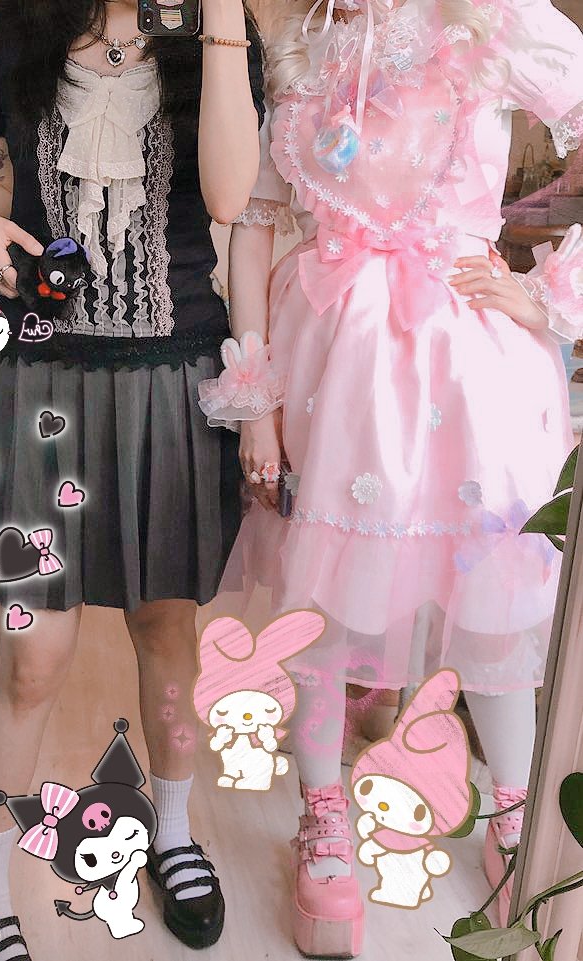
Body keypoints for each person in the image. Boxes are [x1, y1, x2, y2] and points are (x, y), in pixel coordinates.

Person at [199, 0, 583, 954]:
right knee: (322, 601)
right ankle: (322, 811)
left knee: (491, 597)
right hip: (328, 365)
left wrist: (548, 295)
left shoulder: (490, 19)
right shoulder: (299, 34)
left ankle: (512, 807)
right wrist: (255, 399)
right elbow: (255, 222)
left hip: (468, 364)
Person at [0, 0, 264, 957]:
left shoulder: (216, 33)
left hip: (172, 376)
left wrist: (220, 14)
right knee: (30, 658)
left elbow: (228, 197)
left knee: (166, 629)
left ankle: (173, 835)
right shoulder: (6, 30)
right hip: (40, 380)